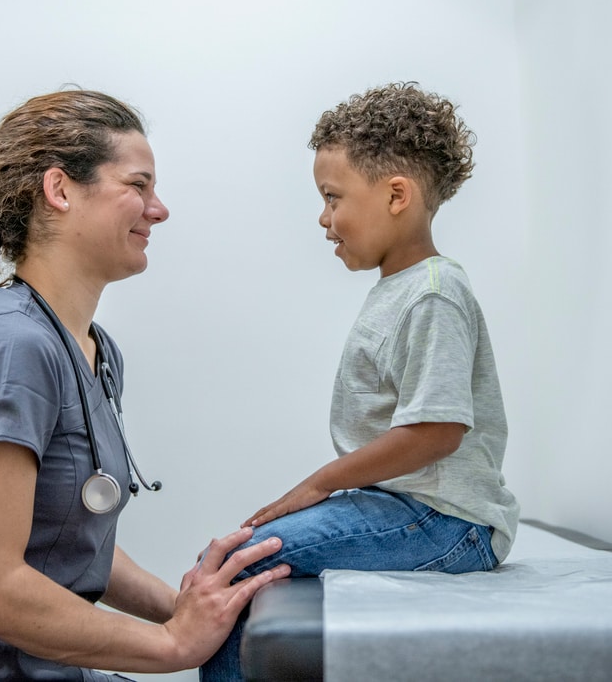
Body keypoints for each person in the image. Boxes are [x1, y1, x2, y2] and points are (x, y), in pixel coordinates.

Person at [0, 89, 290, 681]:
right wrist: (170, 647)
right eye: (138, 186)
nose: (158, 209)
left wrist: (189, 612)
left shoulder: (92, 349)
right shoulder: (15, 347)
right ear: (60, 190)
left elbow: (67, 543)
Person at [201, 82, 520, 681]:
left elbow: (437, 431)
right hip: (406, 506)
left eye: (332, 198)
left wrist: (318, 485)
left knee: (236, 565)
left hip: (449, 523)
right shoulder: (401, 288)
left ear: (396, 194)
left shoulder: (433, 294)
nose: (324, 220)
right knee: (229, 558)